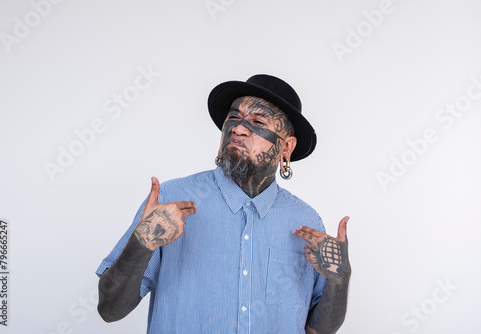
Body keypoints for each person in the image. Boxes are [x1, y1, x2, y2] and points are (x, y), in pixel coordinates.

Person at [96, 74, 351, 333]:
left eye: (257, 121)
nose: (238, 128)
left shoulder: (306, 221)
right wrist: (142, 243)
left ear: (286, 147)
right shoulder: (169, 201)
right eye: (233, 117)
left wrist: (340, 280)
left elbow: (318, 330)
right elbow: (109, 309)